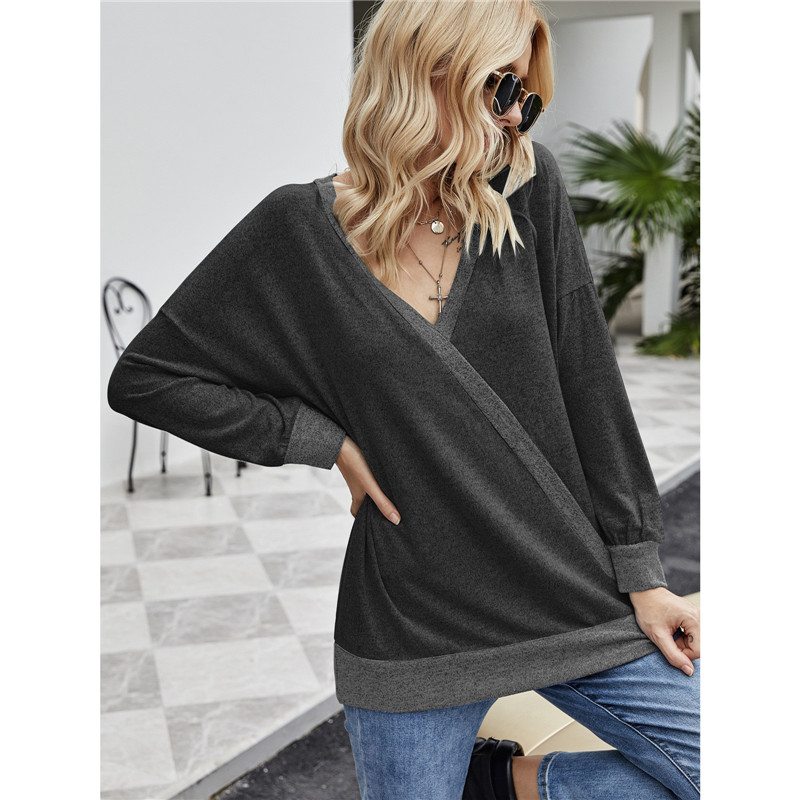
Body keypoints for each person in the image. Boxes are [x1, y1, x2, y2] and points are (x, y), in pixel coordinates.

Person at [106, 1, 701, 798]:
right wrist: (323, 441)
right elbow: (149, 377)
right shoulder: (297, 231)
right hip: (414, 621)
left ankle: (506, 786)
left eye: (528, 100)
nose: (514, 120)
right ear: (427, 70)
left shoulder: (528, 194)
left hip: (569, 589)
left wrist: (642, 572)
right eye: (501, 89)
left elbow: (591, 384)